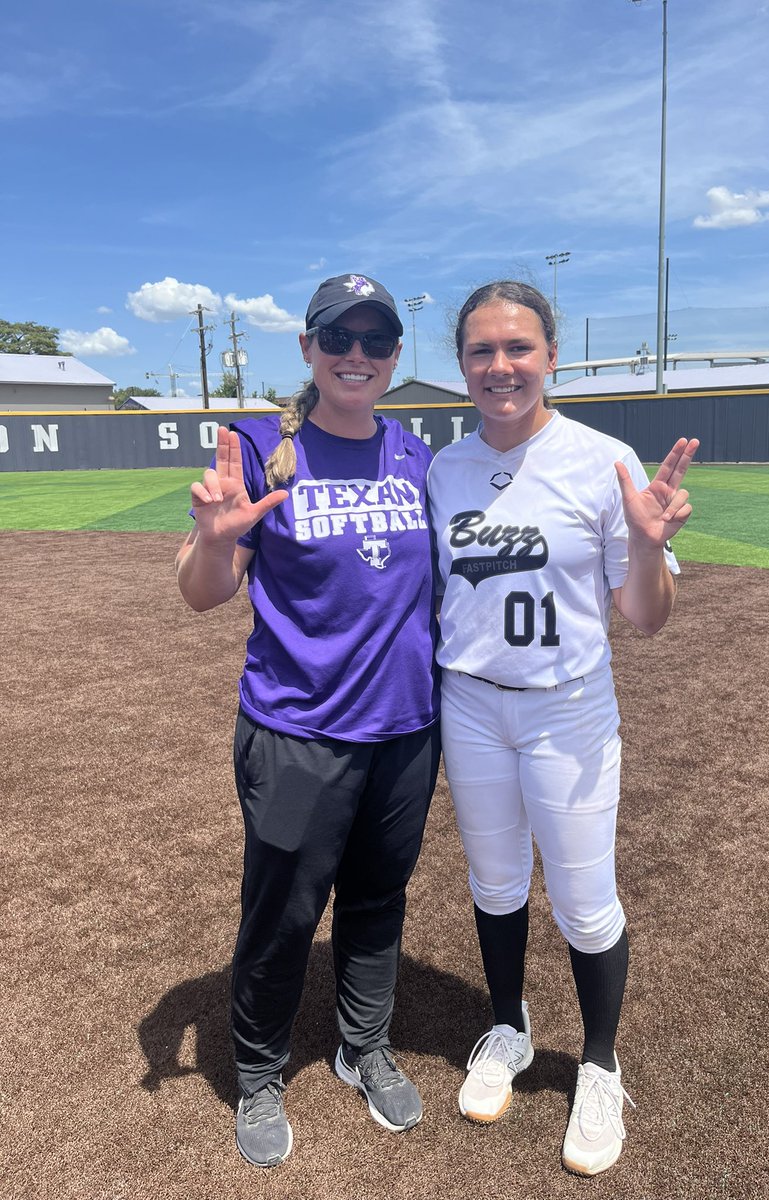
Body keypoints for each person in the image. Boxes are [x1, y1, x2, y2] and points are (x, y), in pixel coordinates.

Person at [426, 280, 698, 1177]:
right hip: (469, 702)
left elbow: (645, 617)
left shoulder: (601, 458)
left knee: (585, 901)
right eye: (481, 351)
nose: (500, 367)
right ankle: (507, 1027)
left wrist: (650, 544)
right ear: (461, 363)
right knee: (496, 882)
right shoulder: (445, 468)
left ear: (552, 356)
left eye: (518, 349)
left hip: (567, 706)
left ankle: (598, 1062)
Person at [175, 274, 441, 1168]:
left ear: (396, 356)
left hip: (404, 730)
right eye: (339, 338)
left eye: (376, 341)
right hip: (297, 730)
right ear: (308, 348)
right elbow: (202, 595)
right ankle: (258, 1070)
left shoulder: (414, 452)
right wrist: (214, 543)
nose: (357, 355)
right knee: (283, 914)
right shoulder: (257, 447)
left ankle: (363, 1048)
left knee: (376, 899)